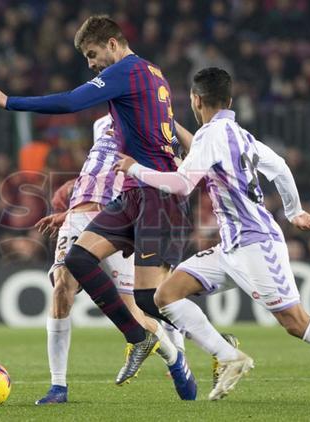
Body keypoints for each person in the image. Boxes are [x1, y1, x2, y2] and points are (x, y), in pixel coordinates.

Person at [114, 67, 310, 413]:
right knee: (166, 294)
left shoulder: (210, 136)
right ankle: (228, 356)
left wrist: (133, 169)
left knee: (296, 323)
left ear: (195, 100)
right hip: (231, 247)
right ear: (229, 101)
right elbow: (278, 166)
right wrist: (294, 211)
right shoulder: (239, 135)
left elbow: (182, 185)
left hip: (256, 244)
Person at [0, 15, 195, 388]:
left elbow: (70, 101)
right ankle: (60, 384)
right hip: (111, 207)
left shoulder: (130, 78)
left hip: (138, 205)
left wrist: (9, 101)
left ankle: (186, 351)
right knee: (67, 279)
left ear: (113, 44)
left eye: (93, 54)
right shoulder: (136, 90)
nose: (91, 64)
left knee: (145, 303)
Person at [34, 115, 233, 403]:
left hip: (122, 216)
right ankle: (58, 387)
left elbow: (196, 154)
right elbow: (101, 170)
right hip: (79, 215)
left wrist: (172, 121)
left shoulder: (158, 123)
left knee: (138, 311)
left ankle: (177, 357)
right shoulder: (101, 123)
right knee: (62, 288)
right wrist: (69, 211)